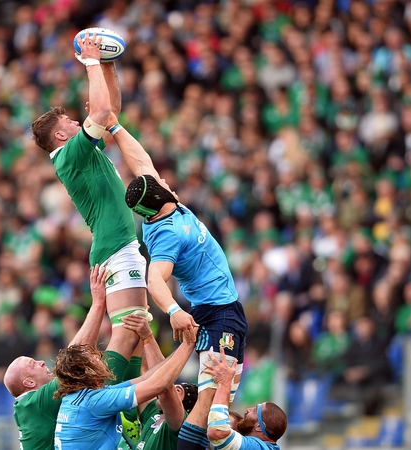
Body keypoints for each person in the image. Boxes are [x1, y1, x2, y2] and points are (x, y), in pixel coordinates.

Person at [114, 113, 248, 450]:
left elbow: (140, 161)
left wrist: (115, 127)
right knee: (210, 403)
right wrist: (173, 310)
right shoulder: (166, 235)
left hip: (216, 309)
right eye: (164, 189)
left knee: (217, 398)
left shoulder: (158, 202)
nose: (168, 187)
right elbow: (154, 277)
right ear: (158, 205)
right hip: (219, 313)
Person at [29, 31, 148, 384]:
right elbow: (98, 111)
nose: (73, 120)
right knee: (128, 334)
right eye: (66, 122)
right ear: (61, 136)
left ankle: (126, 415)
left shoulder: (79, 153)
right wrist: (91, 61)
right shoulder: (69, 155)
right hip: (116, 248)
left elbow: (109, 114)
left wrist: (108, 68)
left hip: (115, 246)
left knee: (135, 341)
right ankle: (96, 397)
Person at [3, 265, 107, 450]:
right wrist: (98, 303)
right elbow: (74, 357)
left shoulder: (27, 406)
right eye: (33, 364)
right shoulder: (37, 402)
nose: (42, 361)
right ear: (28, 383)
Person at [53, 327, 196, 450]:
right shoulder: (94, 401)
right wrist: (189, 343)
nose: (101, 358)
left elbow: (146, 378)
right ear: (88, 371)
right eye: (95, 359)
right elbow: (158, 384)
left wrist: (149, 338)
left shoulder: (81, 396)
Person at [121, 312, 198, 450]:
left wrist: (148, 337)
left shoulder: (178, 426)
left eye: (178, 390)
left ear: (186, 409)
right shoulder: (154, 414)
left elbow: (165, 385)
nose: (174, 387)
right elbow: (147, 374)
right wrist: (140, 331)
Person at [204, 348, 288, 450]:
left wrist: (224, 383)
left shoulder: (257, 447)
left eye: (255, 410)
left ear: (259, 426)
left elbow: (216, 432)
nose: (248, 409)